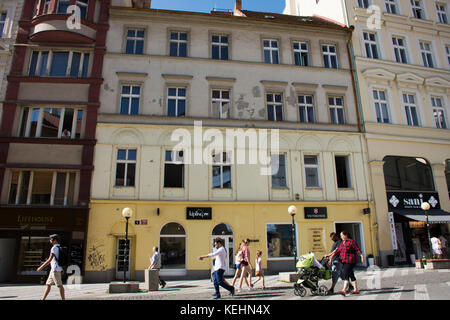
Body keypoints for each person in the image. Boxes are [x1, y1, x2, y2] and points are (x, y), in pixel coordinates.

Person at [329, 231, 365, 296]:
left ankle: (344, 290)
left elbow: (357, 249)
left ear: (346, 235)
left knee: (346, 273)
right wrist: (330, 256)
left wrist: (362, 256)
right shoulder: (342, 243)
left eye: (342, 235)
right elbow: (337, 250)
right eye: (341, 236)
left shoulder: (351, 242)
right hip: (344, 261)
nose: (341, 237)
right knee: (351, 275)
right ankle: (356, 289)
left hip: (350, 261)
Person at [36, 234, 65, 300]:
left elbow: (49, 259)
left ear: (55, 241)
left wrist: (41, 267)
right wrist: (62, 268)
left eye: (51, 239)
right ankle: (43, 299)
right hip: (55, 269)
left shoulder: (54, 248)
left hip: (55, 269)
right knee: (48, 285)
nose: (50, 241)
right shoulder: (60, 247)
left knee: (60, 285)